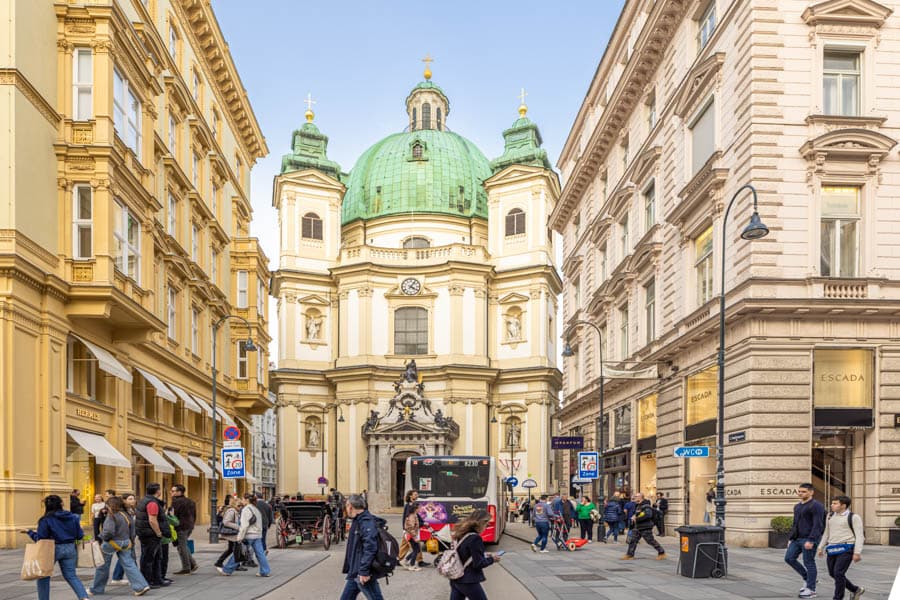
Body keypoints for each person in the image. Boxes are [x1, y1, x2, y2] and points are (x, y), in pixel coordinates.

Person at [26, 494, 90, 600]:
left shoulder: (46, 519)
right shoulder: (73, 517)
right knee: (71, 576)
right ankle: (84, 597)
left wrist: (30, 532)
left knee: (44, 576)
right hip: (70, 548)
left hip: (52, 549)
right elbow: (80, 535)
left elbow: (41, 538)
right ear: (61, 504)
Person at [89, 495, 150, 596]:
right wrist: (131, 541)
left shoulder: (111, 515)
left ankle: (97, 589)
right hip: (126, 542)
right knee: (129, 564)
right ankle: (141, 586)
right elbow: (132, 530)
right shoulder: (126, 514)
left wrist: (100, 537)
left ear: (111, 505)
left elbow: (108, 532)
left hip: (112, 542)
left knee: (102, 566)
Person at [817, 495, 865, 600]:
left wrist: (857, 552)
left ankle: (838, 597)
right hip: (832, 548)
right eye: (832, 503)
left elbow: (860, 536)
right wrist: (820, 547)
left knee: (838, 573)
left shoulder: (853, 517)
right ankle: (855, 589)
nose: (831, 505)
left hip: (847, 548)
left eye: (835, 503)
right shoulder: (829, 516)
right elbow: (826, 533)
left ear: (843, 505)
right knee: (832, 573)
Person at [341, 493, 386, 600]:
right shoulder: (358, 520)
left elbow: (370, 548)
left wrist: (364, 571)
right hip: (356, 570)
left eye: (346, 506)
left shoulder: (366, 522)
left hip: (362, 572)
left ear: (350, 506)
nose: (346, 509)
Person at [448, 509, 501, 600]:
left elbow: (464, 553)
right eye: (487, 524)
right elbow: (478, 564)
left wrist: (483, 554)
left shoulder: (460, 533)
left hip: (455, 577)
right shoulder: (475, 538)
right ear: (482, 523)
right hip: (468, 580)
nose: (487, 527)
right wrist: (493, 559)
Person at [785, 483, 826, 599]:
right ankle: (808, 578)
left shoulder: (816, 506)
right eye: (799, 491)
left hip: (809, 539)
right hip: (797, 539)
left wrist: (811, 540)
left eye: (803, 491)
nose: (800, 493)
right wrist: (791, 538)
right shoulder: (797, 506)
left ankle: (811, 589)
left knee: (809, 562)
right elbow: (795, 524)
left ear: (811, 492)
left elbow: (818, 524)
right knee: (789, 558)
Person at [217, 493, 271, 577]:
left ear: (247, 500)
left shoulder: (246, 510)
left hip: (249, 535)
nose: (241, 501)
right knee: (260, 554)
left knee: (239, 553)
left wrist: (240, 537)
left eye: (242, 499)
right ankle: (265, 571)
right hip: (257, 535)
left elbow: (244, 525)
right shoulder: (255, 509)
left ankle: (227, 570)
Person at [135, 482, 170, 589]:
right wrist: (158, 532)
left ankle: (157, 579)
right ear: (158, 491)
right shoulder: (152, 503)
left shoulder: (144, 500)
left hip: (146, 533)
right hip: (151, 534)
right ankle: (148, 581)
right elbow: (152, 520)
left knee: (155, 557)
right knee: (149, 559)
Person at [621, 493, 666, 560]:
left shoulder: (646, 505)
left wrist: (636, 518)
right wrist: (635, 516)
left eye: (636, 496)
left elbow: (648, 515)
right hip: (638, 526)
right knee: (633, 540)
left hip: (645, 526)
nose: (634, 497)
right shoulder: (638, 505)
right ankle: (630, 555)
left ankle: (661, 552)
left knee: (650, 541)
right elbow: (638, 514)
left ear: (640, 497)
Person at [110, 492, 138, 585]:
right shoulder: (122, 511)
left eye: (133, 498)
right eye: (130, 499)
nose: (133, 500)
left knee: (125, 557)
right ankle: (137, 580)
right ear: (124, 500)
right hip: (124, 538)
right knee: (130, 558)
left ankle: (117, 577)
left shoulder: (133, 510)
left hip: (130, 537)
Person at [170, 484, 198, 575]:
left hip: (181, 526)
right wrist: (192, 523)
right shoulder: (190, 501)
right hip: (189, 526)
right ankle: (192, 564)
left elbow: (173, 516)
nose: (171, 492)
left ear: (179, 492)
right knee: (182, 545)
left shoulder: (176, 502)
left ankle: (186, 567)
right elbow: (194, 515)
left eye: (173, 491)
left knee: (182, 546)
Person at [214, 496, 246, 571]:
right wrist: (238, 527)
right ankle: (235, 565)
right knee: (236, 549)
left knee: (231, 549)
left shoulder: (235, 511)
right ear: (235, 505)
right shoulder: (232, 511)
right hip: (232, 533)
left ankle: (219, 562)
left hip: (233, 533)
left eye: (241, 506)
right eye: (239, 506)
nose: (240, 507)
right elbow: (226, 522)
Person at [400, 490, 427, 567]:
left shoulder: (414, 505)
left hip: (412, 530)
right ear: (410, 496)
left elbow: (417, 517)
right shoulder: (409, 506)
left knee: (415, 546)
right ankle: (403, 560)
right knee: (410, 546)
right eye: (415, 494)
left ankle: (419, 560)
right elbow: (406, 518)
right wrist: (404, 529)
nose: (417, 495)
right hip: (409, 530)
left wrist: (422, 523)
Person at [402, 500, 423, 571]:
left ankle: (405, 561)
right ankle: (411, 565)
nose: (420, 509)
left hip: (411, 535)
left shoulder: (414, 515)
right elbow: (410, 528)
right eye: (419, 508)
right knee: (416, 550)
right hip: (411, 535)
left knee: (416, 550)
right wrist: (415, 537)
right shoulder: (412, 516)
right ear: (415, 508)